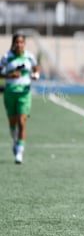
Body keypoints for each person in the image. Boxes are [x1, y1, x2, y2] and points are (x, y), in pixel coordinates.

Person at [0, 33, 40, 164]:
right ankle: (15, 141)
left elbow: (36, 68)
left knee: (22, 122)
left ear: (24, 43)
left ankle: (19, 151)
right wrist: (9, 75)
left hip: (24, 93)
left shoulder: (29, 57)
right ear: (13, 43)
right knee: (12, 123)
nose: (19, 44)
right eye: (17, 42)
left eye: (21, 42)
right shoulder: (7, 57)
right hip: (10, 93)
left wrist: (36, 75)